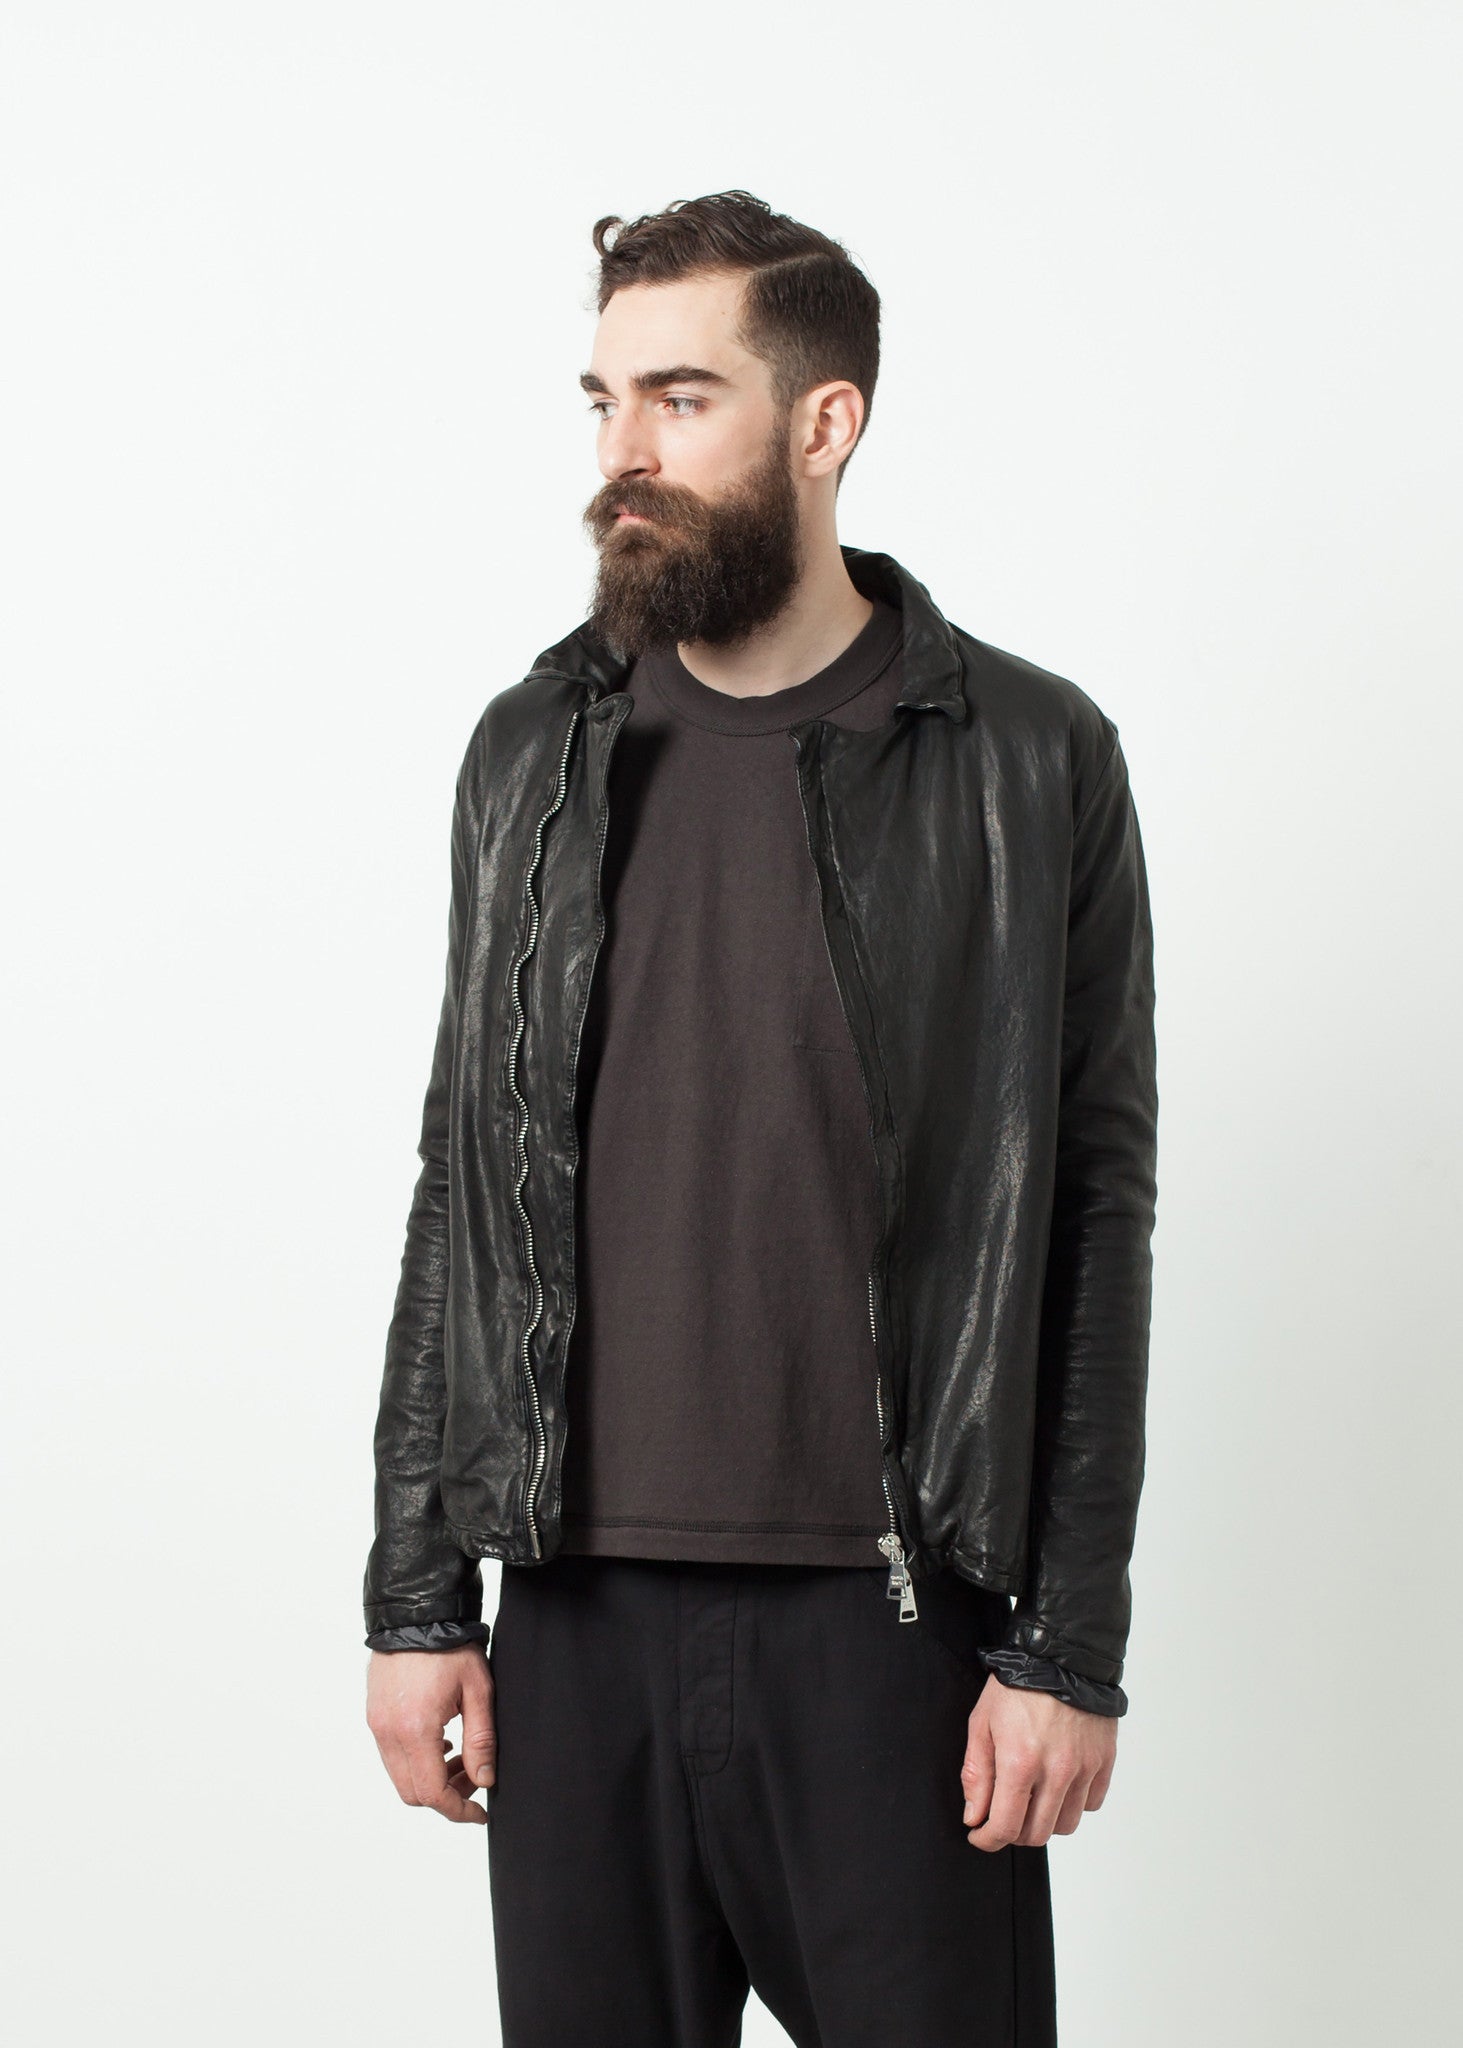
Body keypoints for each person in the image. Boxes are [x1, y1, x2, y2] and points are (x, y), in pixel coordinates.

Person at [363, 189, 1158, 2047]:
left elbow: (1092, 1209)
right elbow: (458, 1177)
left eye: (681, 397)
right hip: (574, 1618)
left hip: (897, 1633)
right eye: (603, 399)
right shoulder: (532, 748)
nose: (621, 454)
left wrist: (1067, 1644)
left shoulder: (1030, 758)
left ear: (826, 421)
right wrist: (417, 1595)